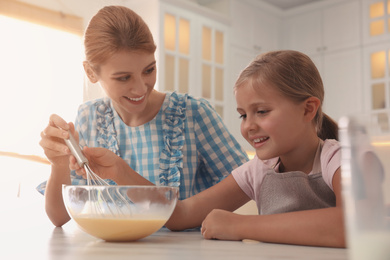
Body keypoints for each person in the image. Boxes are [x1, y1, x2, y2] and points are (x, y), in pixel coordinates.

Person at [79, 50, 345, 247]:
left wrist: (241, 225)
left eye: (261, 111)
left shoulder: (340, 160)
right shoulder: (257, 171)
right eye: (243, 115)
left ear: (308, 108)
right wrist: (119, 170)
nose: (248, 126)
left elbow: (350, 225)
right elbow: (179, 215)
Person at [38, 5, 249, 227]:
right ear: (91, 72)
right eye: (123, 78)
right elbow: (60, 217)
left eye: (149, 70)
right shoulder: (88, 117)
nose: (140, 89)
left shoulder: (193, 113)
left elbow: (246, 185)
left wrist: (186, 214)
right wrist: (59, 164)